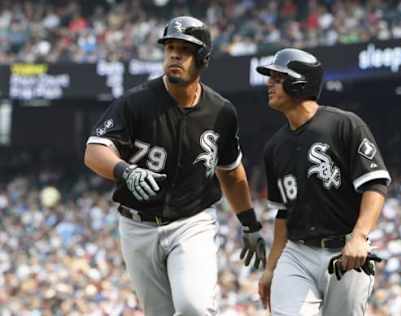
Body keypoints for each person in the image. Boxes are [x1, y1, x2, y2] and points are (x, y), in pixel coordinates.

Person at [84, 16, 266, 316]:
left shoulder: (221, 112)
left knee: (193, 307)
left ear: (203, 59)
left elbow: (231, 173)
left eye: (185, 49)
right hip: (136, 225)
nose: (174, 55)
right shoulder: (136, 102)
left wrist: (249, 225)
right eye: (169, 47)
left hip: (191, 222)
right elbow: (94, 151)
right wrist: (124, 170)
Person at [255, 48, 391, 316]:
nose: (269, 83)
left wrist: (359, 236)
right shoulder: (274, 147)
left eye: (277, 77)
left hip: (345, 250)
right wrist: (271, 268)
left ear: (299, 83)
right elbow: (283, 213)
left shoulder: (344, 125)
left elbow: (375, 185)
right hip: (297, 252)